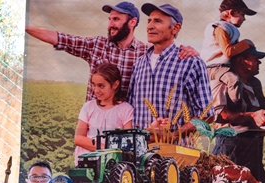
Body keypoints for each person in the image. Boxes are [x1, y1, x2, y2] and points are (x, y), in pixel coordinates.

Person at [25, 2, 197, 101]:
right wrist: (24, 27)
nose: (110, 24)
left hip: (124, 125)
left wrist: (189, 51)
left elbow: (168, 50)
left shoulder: (145, 52)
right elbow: (60, 38)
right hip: (94, 122)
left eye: (116, 19)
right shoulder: (96, 45)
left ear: (132, 22)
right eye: (109, 19)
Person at [127, 3, 214, 137]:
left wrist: (172, 136)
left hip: (174, 148)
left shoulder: (191, 62)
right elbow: (130, 109)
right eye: (149, 21)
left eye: (158, 21)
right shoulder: (139, 64)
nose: (150, 26)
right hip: (139, 148)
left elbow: (207, 115)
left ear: (175, 28)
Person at [211, 44, 265, 183]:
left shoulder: (255, 84)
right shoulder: (222, 81)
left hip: (254, 146)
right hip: (231, 146)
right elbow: (220, 115)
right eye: (255, 58)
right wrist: (251, 116)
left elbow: (262, 111)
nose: (259, 62)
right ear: (240, 60)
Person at [73, 63, 134, 166]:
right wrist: (106, 149)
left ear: (115, 85)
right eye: (94, 85)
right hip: (85, 163)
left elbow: (128, 142)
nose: (96, 90)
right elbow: (78, 138)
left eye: (101, 86)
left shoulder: (126, 109)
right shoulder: (88, 107)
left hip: (112, 165)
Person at [201, 0, 257, 99]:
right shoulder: (221, 27)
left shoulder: (229, 28)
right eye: (242, 14)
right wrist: (245, 43)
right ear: (232, 12)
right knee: (233, 80)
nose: (244, 19)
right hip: (214, 67)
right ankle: (236, 105)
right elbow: (228, 52)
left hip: (223, 67)